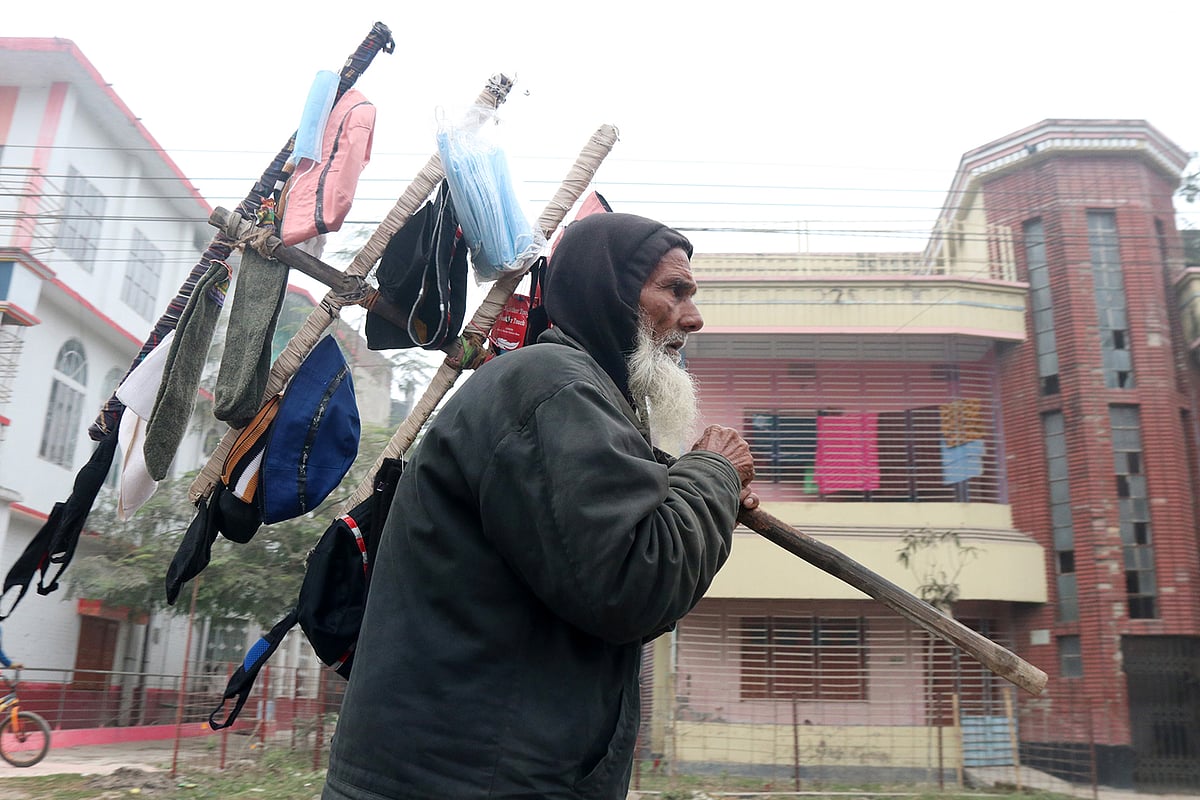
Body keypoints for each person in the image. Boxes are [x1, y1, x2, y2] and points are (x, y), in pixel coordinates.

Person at [323, 213, 757, 800]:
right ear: (608, 293)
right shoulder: (555, 388)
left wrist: (704, 491)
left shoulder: (579, 397)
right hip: (463, 782)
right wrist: (713, 474)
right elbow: (635, 583)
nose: (694, 316)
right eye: (674, 290)